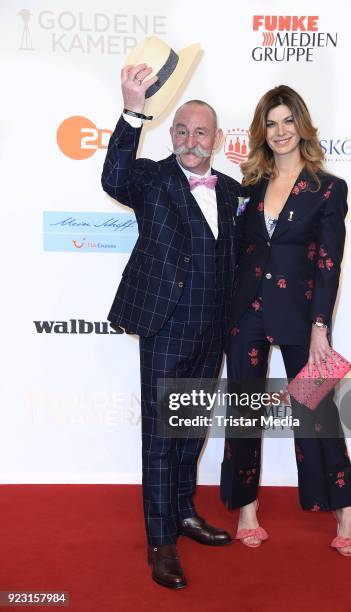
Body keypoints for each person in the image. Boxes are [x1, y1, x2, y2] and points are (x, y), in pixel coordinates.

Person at [102, 63, 241, 588]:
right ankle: (160, 541)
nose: (189, 140)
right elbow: (113, 176)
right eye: (181, 130)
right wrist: (132, 111)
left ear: (216, 138)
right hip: (166, 326)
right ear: (172, 134)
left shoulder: (230, 190)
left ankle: (184, 513)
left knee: (189, 433)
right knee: (162, 436)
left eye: (200, 131)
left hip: (212, 333)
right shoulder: (151, 178)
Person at [220, 85, 351, 557]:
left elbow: (329, 261)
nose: (280, 132)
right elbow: (239, 252)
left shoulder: (327, 188)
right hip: (247, 311)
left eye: (287, 121)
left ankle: (345, 512)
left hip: (303, 314)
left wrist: (321, 324)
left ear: (302, 125)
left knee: (318, 411)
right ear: (262, 130)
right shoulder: (249, 187)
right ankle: (246, 510)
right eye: (271, 122)